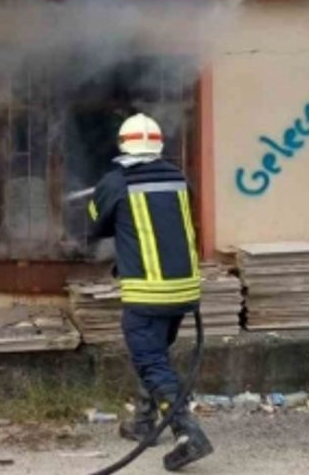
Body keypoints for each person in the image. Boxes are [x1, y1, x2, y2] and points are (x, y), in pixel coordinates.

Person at [88, 113, 214, 472]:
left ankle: (188, 432)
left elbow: (95, 223)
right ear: (158, 145)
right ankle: (144, 423)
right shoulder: (178, 177)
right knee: (155, 354)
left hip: (148, 291)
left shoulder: (117, 181)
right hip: (184, 289)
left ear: (123, 145)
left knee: (150, 360)